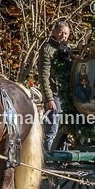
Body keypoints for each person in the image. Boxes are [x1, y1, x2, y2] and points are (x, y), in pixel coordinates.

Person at [38, 21, 72, 150]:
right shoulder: (48, 49)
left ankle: (60, 155)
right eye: (61, 32)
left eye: (66, 33)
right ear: (54, 32)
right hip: (55, 94)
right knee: (51, 128)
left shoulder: (69, 49)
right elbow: (44, 76)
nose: (63, 36)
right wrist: (48, 98)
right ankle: (47, 156)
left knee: (65, 129)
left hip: (67, 94)